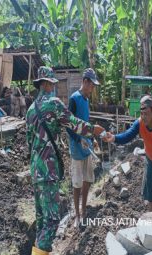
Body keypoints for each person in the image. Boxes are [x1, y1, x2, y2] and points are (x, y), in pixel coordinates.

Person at [26, 66, 104, 255]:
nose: (55, 86)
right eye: (54, 83)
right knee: (51, 220)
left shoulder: (31, 109)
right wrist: (95, 130)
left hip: (35, 170)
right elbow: (74, 124)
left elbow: (29, 142)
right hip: (48, 171)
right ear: (49, 84)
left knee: (41, 216)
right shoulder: (54, 104)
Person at [104, 95, 152, 219]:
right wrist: (114, 138)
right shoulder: (140, 123)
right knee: (150, 198)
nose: (143, 117)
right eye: (141, 113)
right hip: (151, 163)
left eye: (146, 113)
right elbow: (127, 135)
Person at [67, 68, 100, 227]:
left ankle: (84, 208)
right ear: (85, 82)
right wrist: (78, 139)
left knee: (87, 179)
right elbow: (67, 125)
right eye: (91, 85)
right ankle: (77, 214)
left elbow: (86, 123)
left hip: (87, 147)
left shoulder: (86, 101)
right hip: (77, 147)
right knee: (77, 183)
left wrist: (92, 139)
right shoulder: (74, 99)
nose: (92, 89)